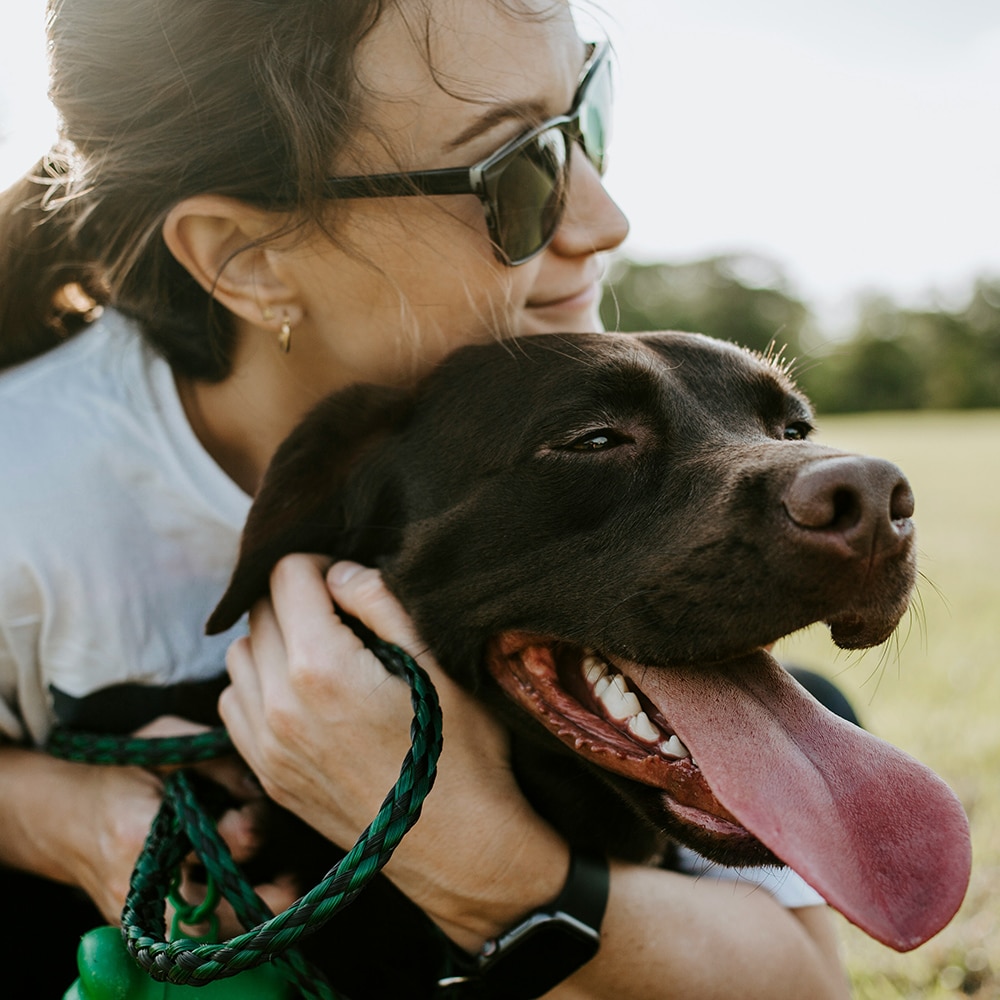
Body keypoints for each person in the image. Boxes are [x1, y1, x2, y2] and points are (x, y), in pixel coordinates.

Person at [0, 0, 850, 996]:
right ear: (245, 256)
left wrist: (473, 853)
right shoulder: (28, 487)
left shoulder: (600, 405)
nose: (604, 218)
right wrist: (65, 814)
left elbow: (802, 985)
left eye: (588, 112)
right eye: (515, 172)